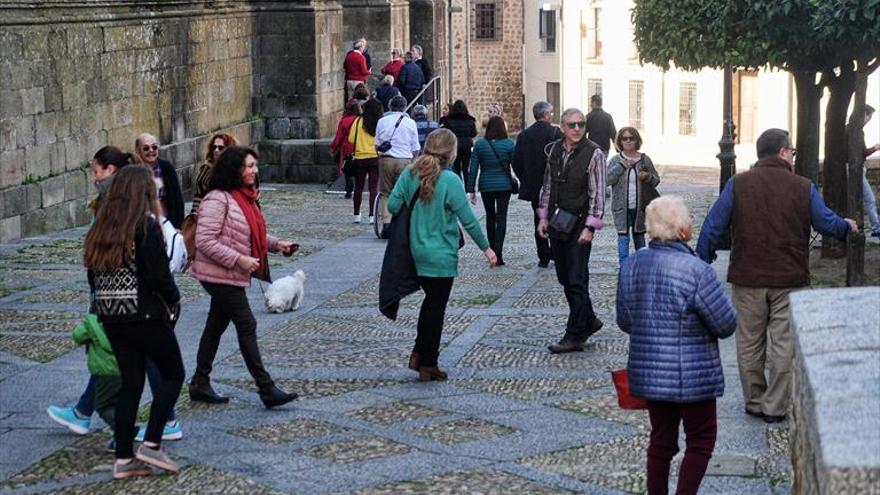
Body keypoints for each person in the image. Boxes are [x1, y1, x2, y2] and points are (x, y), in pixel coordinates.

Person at [697, 128, 858, 423]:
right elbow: (826, 222)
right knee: (783, 344)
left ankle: (755, 400)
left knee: (749, 341)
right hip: (790, 278)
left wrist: (701, 261)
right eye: (793, 152)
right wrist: (846, 227)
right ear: (783, 152)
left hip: (748, 277)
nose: (794, 157)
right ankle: (775, 406)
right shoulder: (803, 186)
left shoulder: (738, 184)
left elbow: (713, 225)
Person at [617, 195, 738, 495]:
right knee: (701, 438)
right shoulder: (696, 270)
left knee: (661, 440)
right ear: (682, 229)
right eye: (689, 221)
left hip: (651, 373)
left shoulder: (631, 265)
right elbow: (725, 324)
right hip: (693, 376)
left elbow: (625, 321)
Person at [84, 166, 184, 478]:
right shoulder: (145, 226)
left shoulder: (101, 229)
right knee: (173, 374)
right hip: (145, 314)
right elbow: (158, 275)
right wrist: (174, 298)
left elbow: (92, 276)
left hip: (112, 316)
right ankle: (152, 442)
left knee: (131, 384)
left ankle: (124, 458)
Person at [188, 146, 300, 409]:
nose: (254, 171)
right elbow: (204, 241)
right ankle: (266, 388)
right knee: (247, 323)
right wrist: (239, 260)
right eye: (249, 166)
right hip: (218, 273)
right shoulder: (217, 199)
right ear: (234, 169)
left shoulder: (243, 197)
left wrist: (277, 244)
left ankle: (200, 382)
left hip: (230, 272)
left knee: (215, 325)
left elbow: (248, 235)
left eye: (255, 166)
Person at [387, 129, 497, 381]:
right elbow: (468, 220)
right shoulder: (450, 181)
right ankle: (429, 362)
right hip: (441, 254)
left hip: (415, 252)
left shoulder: (410, 173)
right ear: (451, 152)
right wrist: (487, 249)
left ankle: (418, 353)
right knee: (435, 308)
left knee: (429, 304)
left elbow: (392, 206)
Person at [537, 108, 606, 354]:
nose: (577, 129)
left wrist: (590, 226)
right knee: (564, 277)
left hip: (579, 221)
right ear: (563, 127)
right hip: (558, 220)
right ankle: (589, 319)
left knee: (577, 279)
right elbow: (547, 185)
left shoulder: (594, 153)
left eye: (581, 124)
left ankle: (575, 334)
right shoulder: (555, 149)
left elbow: (597, 193)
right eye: (572, 125)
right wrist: (543, 216)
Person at [512, 101, 563, 268]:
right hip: (555, 183)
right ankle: (556, 252)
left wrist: (524, 178)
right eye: (551, 113)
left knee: (538, 218)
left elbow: (516, 161)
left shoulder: (524, 135)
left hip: (534, 185)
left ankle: (543, 255)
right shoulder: (556, 133)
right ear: (547, 115)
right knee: (556, 217)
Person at [467, 116, 516, 266]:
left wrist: (471, 190)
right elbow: (515, 164)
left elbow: (473, 168)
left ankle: (492, 251)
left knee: (490, 217)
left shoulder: (480, 144)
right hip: (504, 185)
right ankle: (499, 253)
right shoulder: (509, 144)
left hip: (486, 185)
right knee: (502, 218)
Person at [607, 127, 660, 264]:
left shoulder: (644, 160)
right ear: (620, 141)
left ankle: (641, 268)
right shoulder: (615, 160)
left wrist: (647, 176)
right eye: (625, 138)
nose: (628, 141)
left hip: (640, 207)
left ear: (637, 140)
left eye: (632, 138)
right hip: (620, 208)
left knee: (639, 237)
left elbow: (656, 180)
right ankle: (624, 269)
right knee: (623, 237)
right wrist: (621, 166)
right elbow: (606, 180)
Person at [376, 95, 421, 237]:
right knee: (403, 193)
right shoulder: (410, 123)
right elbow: (416, 147)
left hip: (387, 159)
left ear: (390, 106)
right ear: (405, 107)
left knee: (386, 193)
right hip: (404, 160)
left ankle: (387, 223)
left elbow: (377, 144)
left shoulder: (382, 121)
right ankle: (401, 224)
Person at [135, 133, 185, 229]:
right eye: (146, 148)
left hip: (166, 222)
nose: (151, 151)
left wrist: (178, 226)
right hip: (142, 226)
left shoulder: (166, 168)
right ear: (138, 151)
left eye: (154, 147)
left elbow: (177, 199)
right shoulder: (132, 172)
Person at [348, 98, 384, 224]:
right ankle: (371, 216)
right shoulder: (380, 122)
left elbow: (351, 139)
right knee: (374, 187)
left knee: (358, 186)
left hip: (360, 157)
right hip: (374, 156)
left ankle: (357, 215)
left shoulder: (358, 121)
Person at [192, 133, 240, 215]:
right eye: (214, 147)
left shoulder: (238, 170)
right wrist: (194, 215)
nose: (216, 150)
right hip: (211, 214)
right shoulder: (206, 169)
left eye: (221, 148)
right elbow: (198, 195)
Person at [440, 100, 478, 185]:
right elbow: (474, 133)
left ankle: (459, 185)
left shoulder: (449, 120)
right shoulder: (470, 120)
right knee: (466, 167)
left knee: (456, 168)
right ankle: (468, 188)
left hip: (455, 145)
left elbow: (446, 133)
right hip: (467, 145)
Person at [856, 104, 880, 237]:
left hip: (858, 168)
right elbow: (861, 153)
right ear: (864, 115)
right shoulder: (856, 131)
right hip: (856, 169)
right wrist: (875, 148)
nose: (868, 120)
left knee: (861, 200)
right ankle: (877, 229)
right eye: (869, 117)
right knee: (870, 200)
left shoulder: (853, 130)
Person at [330, 101, 362, 199]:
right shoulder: (362, 120)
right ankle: (358, 188)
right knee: (359, 168)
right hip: (360, 145)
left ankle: (349, 189)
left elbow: (339, 137)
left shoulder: (344, 120)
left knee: (347, 168)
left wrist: (333, 147)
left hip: (347, 146)